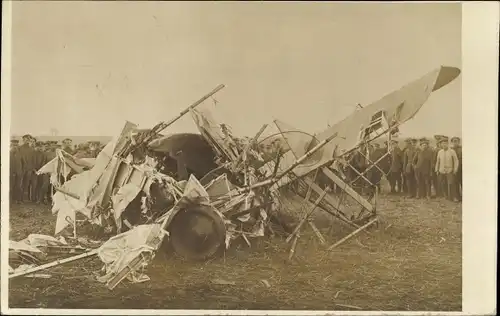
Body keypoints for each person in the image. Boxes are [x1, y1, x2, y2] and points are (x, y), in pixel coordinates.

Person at [435, 137, 459, 202]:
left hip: (450, 170)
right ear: (441, 144)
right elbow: (438, 161)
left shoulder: (452, 151)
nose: (444, 145)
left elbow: (456, 161)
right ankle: (446, 196)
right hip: (441, 170)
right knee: (443, 183)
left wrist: (455, 169)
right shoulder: (440, 152)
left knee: (451, 183)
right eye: (443, 144)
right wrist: (436, 169)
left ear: (447, 144)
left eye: (445, 143)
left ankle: (454, 197)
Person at [10, 139, 22, 203]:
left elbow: (22, 162)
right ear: (11, 145)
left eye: (16, 145)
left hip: (19, 173)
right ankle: (10, 200)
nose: (15, 147)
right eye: (14, 145)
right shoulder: (8, 153)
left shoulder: (19, 153)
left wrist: (21, 171)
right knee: (11, 186)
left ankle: (17, 200)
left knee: (18, 186)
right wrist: (12, 172)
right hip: (11, 173)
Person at [451, 136, 462, 201]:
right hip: (454, 169)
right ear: (452, 142)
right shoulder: (451, 150)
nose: (455, 142)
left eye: (456, 141)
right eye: (454, 141)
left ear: (459, 142)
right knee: (455, 183)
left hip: (461, 168)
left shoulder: (462, 149)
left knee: (462, 182)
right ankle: (457, 197)